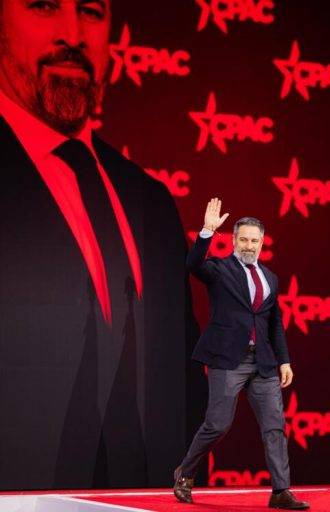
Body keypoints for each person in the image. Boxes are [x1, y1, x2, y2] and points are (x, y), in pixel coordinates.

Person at [0, 0, 197, 488]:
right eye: (43, 6)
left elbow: (183, 379)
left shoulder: (150, 199)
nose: (72, 33)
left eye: (90, 11)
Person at [174, 198, 309, 510]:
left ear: (262, 242)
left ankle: (280, 491)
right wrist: (207, 230)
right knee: (217, 424)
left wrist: (284, 360)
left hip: (263, 362)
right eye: (243, 239)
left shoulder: (270, 278)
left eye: (255, 240)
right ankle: (185, 472)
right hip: (227, 359)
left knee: (275, 426)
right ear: (234, 240)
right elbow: (193, 265)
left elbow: (275, 322)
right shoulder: (220, 269)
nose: (249, 245)